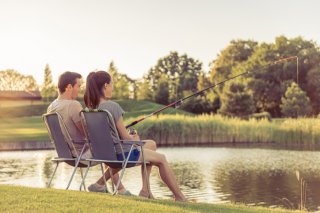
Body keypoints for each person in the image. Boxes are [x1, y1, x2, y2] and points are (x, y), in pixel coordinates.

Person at [84, 70, 186, 202]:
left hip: (106, 155)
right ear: (105, 86)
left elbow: (108, 136)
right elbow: (126, 138)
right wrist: (135, 139)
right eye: (111, 84)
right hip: (122, 154)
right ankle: (180, 197)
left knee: (151, 144)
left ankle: (146, 191)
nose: (112, 88)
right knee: (161, 159)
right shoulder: (113, 107)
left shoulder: (90, 111)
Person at [47, 71, 130, 195]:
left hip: (66, 154)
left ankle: (118, 188)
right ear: (69, 87)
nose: (80, 90)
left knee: (105, 147)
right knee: (114, 149)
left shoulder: (51, 107)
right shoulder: (73, 105)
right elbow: (89, 133)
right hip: (83, 155)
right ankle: (110, 187)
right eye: (78, 86)